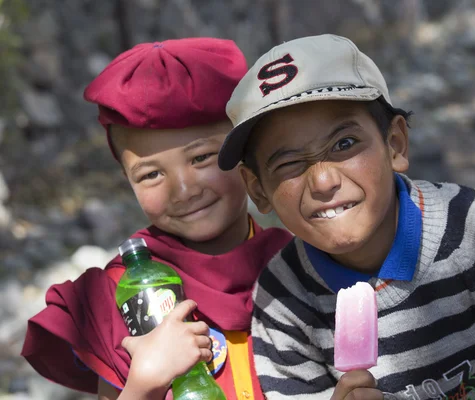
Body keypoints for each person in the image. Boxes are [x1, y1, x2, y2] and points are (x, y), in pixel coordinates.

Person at [217, 33, 475, 399]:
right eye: (288, 164)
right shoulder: (284, 306)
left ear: (395, 145)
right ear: (258, 190)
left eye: (344, 144)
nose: (323, 181)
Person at [21, 38, 292, 400]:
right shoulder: (124, 293)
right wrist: (144, 383)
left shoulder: (299, 264)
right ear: (127, 180)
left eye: (201, 158)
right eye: (150, 175)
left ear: (243, 149)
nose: (183, 190)